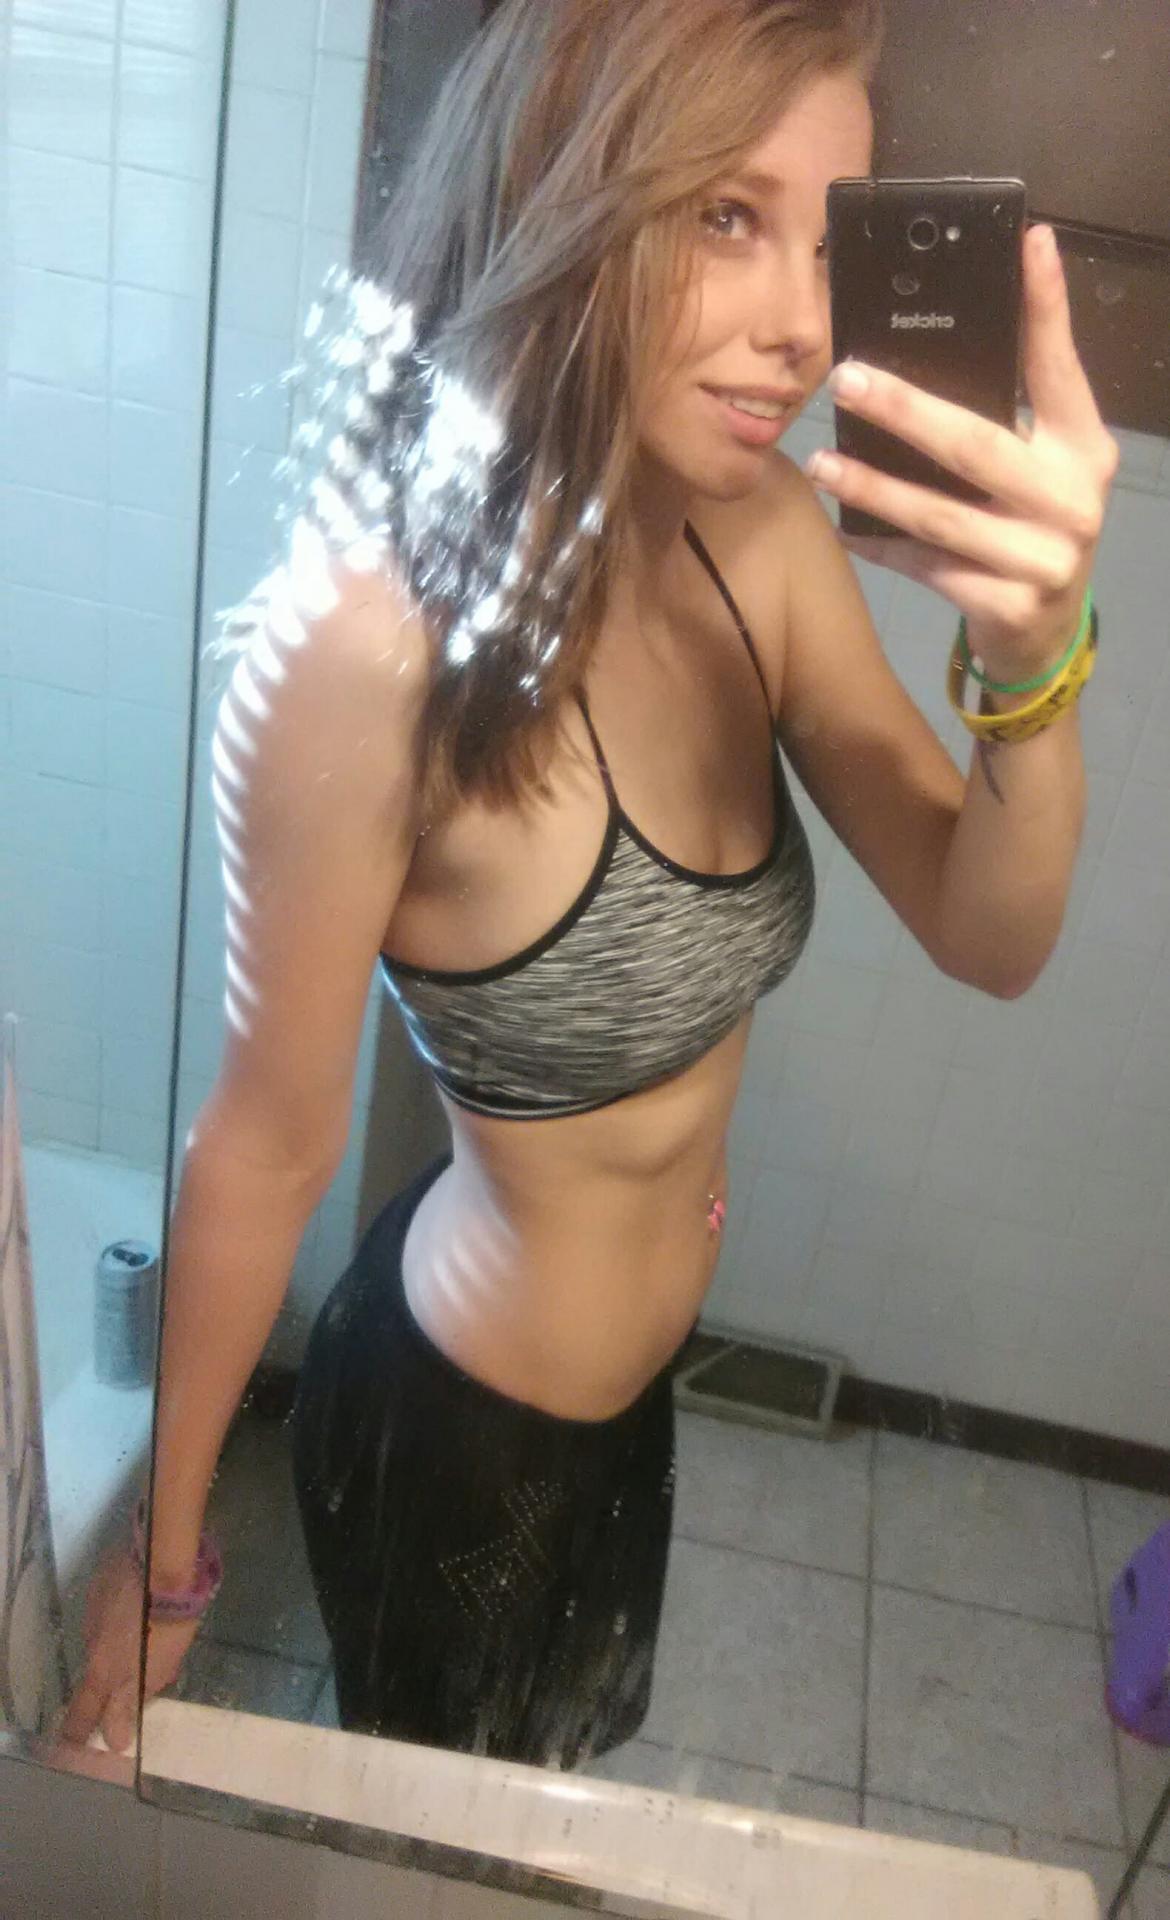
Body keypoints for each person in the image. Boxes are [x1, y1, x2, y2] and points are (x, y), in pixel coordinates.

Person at [62, 0, 1116, 1765]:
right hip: (458, 1429)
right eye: (724, 216)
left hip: (634, 1401)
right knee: (441, 1845)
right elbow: (263, 1148)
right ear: (559, 196)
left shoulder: (757, 542)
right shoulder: (362, 654)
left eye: (825, 237)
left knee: (557, 1776)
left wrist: (1034, 660)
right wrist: (161, 1574)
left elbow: (986, 931)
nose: (800, 323)